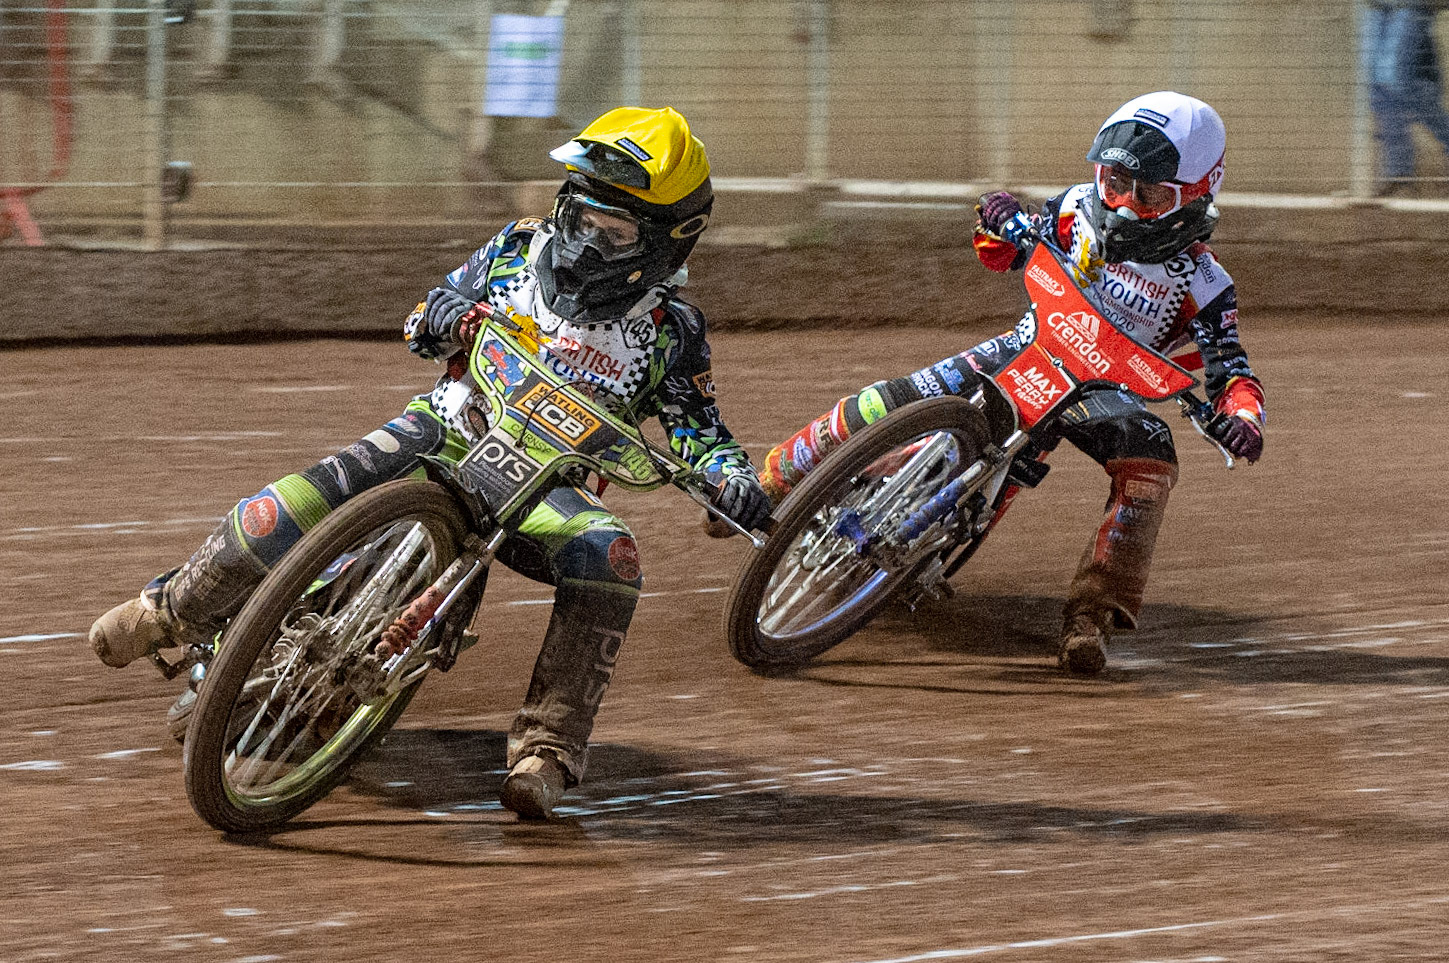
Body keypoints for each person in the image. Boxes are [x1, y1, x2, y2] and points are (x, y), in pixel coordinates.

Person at [88, 106, 771, 819]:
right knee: (285, 506)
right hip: (438, 431)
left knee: (615, 556)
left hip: (540, 488)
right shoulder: (517, 247)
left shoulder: (672, 331)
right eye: (580, 215)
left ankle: (549, 746)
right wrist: (442, 319)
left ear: (664, 242)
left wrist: (731, 478)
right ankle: (168, 609)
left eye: (615, 231)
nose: (586, 239)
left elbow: (700, 430)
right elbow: (427, 313)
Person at [755, 91, 1265, 676]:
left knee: (1150, 468)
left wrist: (1241, 419)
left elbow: (1231, 366)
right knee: (884, 400)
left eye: (1145, 193)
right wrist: (998, 220)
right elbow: (1001, 253)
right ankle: (771, 478)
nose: (1119, 204)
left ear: (1197, 194)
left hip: (1107, 393)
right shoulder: (1076, 208)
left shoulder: (1205, 282)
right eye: (1112, 181)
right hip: (1024, 347)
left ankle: (1091, 615)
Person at [1367, 0, 1449, 196]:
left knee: (1400, 80)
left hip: (1413, 4)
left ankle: (1401, 171)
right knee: (1379, 85)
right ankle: (1399, 173)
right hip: (1378, 5)